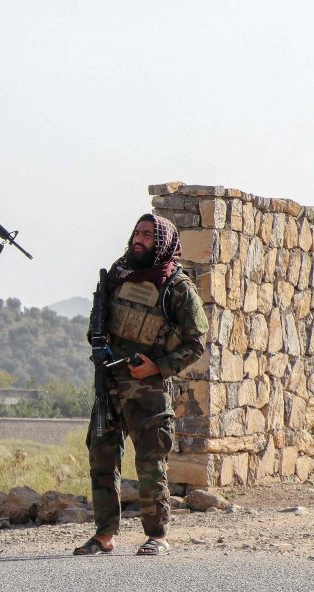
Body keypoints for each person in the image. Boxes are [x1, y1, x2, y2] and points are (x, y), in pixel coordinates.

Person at [73, 214, 208, 557]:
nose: (139, 239)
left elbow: (196, 344)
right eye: (137, 232)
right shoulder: (116, 277)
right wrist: (98, 346)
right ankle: (104, 535)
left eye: (148, 234)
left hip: (147, 390)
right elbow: (97, 325)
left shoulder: (176, 287)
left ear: (161, 241)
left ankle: (158, 535)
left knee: (150, 462)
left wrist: (157, 367)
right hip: (110, 384)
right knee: (101, 458)